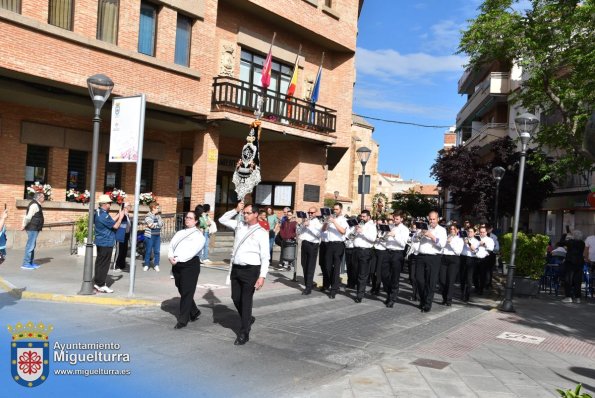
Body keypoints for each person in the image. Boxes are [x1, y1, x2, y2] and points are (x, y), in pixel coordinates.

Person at [219, 202, 269, 346]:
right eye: (244, 213)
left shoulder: (261, 232)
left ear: (255, 214)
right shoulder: (239, 225)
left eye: (247, 213)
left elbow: (265, 256)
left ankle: (244, 332)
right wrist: (235, 209)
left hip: (251, 270)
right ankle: (247, 319)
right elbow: (222, 220)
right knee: (235, 298)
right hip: (236, 268)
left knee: (246, 301)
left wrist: (262, 276)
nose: (244, 215)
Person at [168, 211, 206, 329]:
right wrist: (170, 256)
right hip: (177, 264)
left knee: (187, 292)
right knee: (181, 288)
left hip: (190, 265)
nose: (187, 219)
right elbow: (171, 245)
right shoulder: (179, 232)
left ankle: (183, 320)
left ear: (195, 221)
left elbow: (192, 252)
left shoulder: (199, 236)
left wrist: (177, 259)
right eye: (186, 217)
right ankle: (194, 311)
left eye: (190, 218)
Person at [413, 210, 447, 313]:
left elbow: (442, 244)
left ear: (437, 219)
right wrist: (419, 234)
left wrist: (431, 236)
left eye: (434, 219)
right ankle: (423, 300)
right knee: (419, 279)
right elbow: (414, 239)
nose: (432, 221)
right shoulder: (424, 227)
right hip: (421, 256)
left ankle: (427, 304)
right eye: (430, 219)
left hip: (434, 257)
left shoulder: (442, 230)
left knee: (430, 282)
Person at [94, 194, 125, 293]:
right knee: (104, 264)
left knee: (100, 263)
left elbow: (110, 221)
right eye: (109, 203)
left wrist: (118, 214)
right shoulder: (103, 215)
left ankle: (98, 282)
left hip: (102, 241)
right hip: (105, 242)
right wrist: (121, 218)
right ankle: (101, 284)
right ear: (104, 204)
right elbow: (115, 226)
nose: (110, 205)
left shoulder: (99, 212)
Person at [383, 210, 409, 308]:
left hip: (397, 254)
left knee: (395, 277)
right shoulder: (391, 227)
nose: (395, 220)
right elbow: (385, 240)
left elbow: (403, 244)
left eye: (397, 218)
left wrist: (395, 235)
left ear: (402, 219)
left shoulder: (405, 229)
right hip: (387, 252)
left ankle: (392, 298)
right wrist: (385, 234)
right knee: (384, 275)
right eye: (394, 218)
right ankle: (389, 294)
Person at [321, 203, 348, 299]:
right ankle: (334, 283)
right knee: (327, 267)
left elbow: (343, 231)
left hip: (339, 245)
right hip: (329, 245)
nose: (334, 211)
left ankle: (334, 289)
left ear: (341, 210)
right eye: (334, 209)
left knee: (336, 267)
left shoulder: (344, 220)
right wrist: (326, 222)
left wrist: (334, 222)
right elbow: (323, 230)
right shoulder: (330, 218)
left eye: (336, 209)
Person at [352, 210, 376, 303]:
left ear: (369, 217)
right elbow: (353, 236)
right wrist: (355, 231)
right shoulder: (360, 225)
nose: (362, 218)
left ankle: (360, 295)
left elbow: (373, 239)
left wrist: (362, 232)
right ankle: (359, 290)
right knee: (356, 272)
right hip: (356, 250)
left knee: (362, 274)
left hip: (365, 251)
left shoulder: (372, 226)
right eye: (361, 216)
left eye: (364, 216)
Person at [297, 207, 322, 295]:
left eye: (312, 213)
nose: (310, 214)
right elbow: (299, 232)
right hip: (305, 244)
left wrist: (309, 226)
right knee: (304, 264)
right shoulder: (306, 220)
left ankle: (308, 288)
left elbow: (319, 234)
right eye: (309, 212)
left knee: (310, 266)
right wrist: (302, 224)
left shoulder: (317, 222)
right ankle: (309, 283)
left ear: (316, 213)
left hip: (313, 245)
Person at [440, 224, 464, 306]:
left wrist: (450, 243)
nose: (452, 230)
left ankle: (448, 300)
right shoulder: (446, 237)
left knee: (450, 280)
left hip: (454, 259)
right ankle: (444, 297)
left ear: (457, 230)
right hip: (444, 258)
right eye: (451, 229)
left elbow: (458, 251)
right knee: (442, 280)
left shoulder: (460, 239)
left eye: (454, 229)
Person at [21, 192, 45, 270]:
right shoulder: (34, 205)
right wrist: (24, 225)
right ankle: (26, 263)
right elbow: (28, 217)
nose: (44, 198)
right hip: (32, 228)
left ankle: (30, 262)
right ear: (39, 197)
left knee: (32, 245)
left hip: (35, 228)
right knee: (30, 246)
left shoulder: (37, 204)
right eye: (43, 197)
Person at [561, 230, 586, 304]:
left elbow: (561, 243)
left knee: (568, 279)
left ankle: (568, 297)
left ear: (573, 236)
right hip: (579, 262)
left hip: (570, 262)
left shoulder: (570, 242)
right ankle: (578, 298)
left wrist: (564, 235)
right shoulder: (582, 243)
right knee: (577, 280)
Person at [143, 201, 163, 272]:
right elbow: (151, 225)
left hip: (157, 235)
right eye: (157, 208)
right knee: (148, 251)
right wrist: (156, 225)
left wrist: (155, 225)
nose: (158, 209)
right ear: (153, 208)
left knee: (157, 251)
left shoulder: (158, 216)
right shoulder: (147, 215)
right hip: (150, 236)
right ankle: (146, 265)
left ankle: (156, 265)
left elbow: (162, 224)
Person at [460, 226, 479, 303]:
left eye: (471, 232)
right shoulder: (463, 239)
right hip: (463, 258)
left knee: (469, 278)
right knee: (462, 278)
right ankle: (462, 293)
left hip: (471, 259)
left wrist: (468, 243)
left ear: (474, 233)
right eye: (468, 231)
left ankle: (467, 295)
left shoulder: (476, 241)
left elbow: (474, 250)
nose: (469, 233)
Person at [475, 226, 495, 295]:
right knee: (474, 275)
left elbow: (490, 249)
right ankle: (477, 287)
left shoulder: (490, 240)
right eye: (481, 232)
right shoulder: (476, 238)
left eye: (483, 232)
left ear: (486, 232)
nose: (482, 233)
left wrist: (484, 244)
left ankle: (481, 289)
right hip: (475, 258)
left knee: (482, 275)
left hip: (484, 259)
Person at [114, 202, 131, 272]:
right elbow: (116, 223)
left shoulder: (127, 215)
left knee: (124, 250)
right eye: (129, 206)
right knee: (119, 251)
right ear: (125, 207)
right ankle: (116, 266)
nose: (130, 207)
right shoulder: (121, 214)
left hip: (126, 235)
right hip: (120, 235)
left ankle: (122, 265)